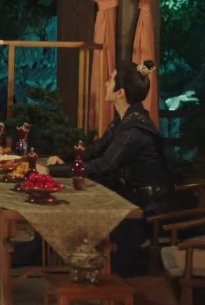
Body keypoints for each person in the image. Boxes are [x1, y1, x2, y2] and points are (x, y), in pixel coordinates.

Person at [48, 59, 175, 275]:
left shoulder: (134, 130)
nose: (106, 84)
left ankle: (79, 264)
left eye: (110, 80)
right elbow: (95, 149)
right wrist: (64, 158)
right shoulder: (123, 121)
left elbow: (105, 165)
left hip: (145, 204)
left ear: (120, 93)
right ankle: (45, 255)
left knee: (82, 206)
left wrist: (55, 172)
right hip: (129, 196)